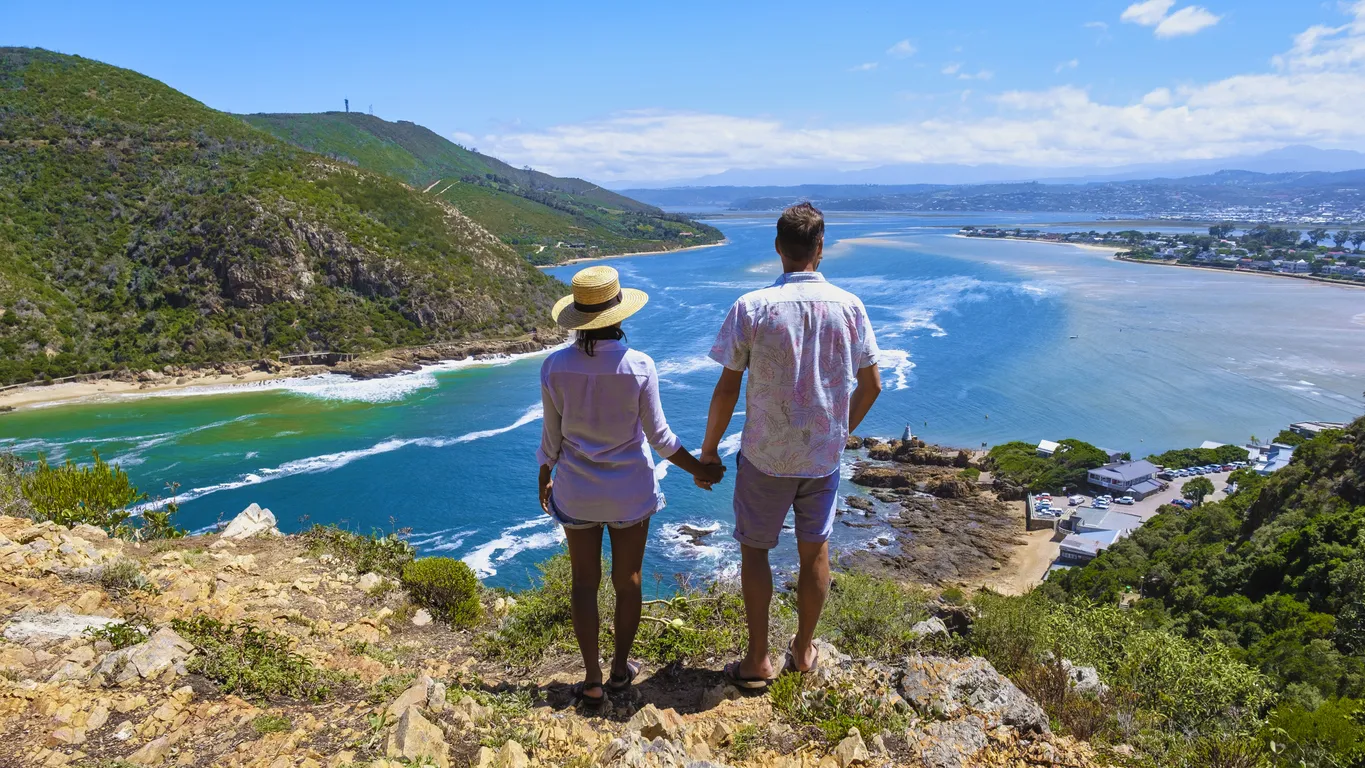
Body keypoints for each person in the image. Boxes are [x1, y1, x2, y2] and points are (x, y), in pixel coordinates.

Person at [698, 203, 882, 687]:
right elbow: (872, 386)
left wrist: (709, 450)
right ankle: (802, 651)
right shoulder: (851, 307)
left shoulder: (751, 307)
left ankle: (758, 660)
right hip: (821, 457)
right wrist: (840, 433)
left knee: (755, 552)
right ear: (820, 248)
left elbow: (727, 387)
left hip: (764, 455)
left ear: (778, 247)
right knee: (814, 552)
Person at [537, 265, 726, 707]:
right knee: (629, 580)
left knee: (584, 583)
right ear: (619, 315)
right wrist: (700, 467)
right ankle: (621, 671)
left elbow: (551, 438)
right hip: (629, 492)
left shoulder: (553, 368)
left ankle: (591, 678)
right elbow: (660, 439)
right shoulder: (639, 366)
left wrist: (544, 476)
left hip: (577, 490)